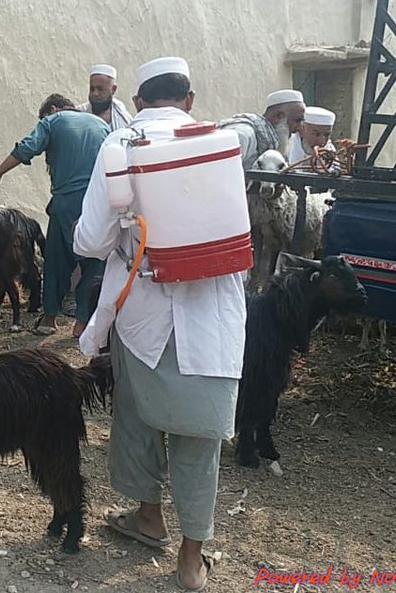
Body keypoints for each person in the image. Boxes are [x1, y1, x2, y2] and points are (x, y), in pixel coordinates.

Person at [73, 57, 246, 592]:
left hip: (145, 312)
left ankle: (148, 515)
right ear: (189, 100)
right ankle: (192, 558)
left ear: (139, 101)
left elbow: (90, 241)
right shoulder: (219, 145)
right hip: (215, 315)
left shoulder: (120, 146)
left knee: (139, 414)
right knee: (200, 436)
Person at [0, 93, 109, 338]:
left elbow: (26, 148)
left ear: (54, 109)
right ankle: (82, 322)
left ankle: (49, 318)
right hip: (98, 203)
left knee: (57, 261)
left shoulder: (53, 121)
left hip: (66, 202)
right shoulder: (102, 125)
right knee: (94, 261)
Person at [219, 88, 307, 172]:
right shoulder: (243, 134)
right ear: (280, 116)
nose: (299, 128)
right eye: (297, 120)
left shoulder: (279, 140)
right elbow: (222, 174)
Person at [77, 64, 133, 130]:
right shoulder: (80, 112)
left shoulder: (123, 117)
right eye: (92, 89)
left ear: (113, 89)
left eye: (100, 89)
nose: (95, 94)